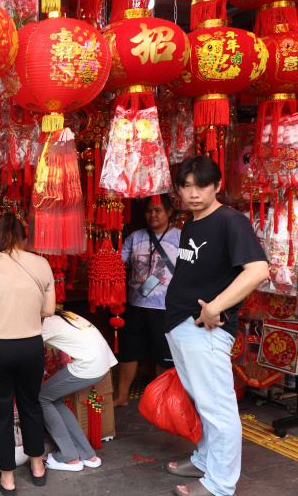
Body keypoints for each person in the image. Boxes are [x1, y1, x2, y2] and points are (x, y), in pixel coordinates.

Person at [164, 156, 269, 496]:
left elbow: (257, 270)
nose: (193, 193)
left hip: (204, 329)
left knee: (218, 408)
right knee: (202, 401)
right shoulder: (191, 224)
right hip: (182, 324)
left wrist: (215, 309)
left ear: (217, 185)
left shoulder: (230, 221)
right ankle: (206, 460)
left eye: (202, 185)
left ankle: (220, 485)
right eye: (186, 185)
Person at [0, 212, 56, 494]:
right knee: (30, 405)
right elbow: (48, 311)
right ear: (23, 236)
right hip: (30, 347)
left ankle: (7, 478)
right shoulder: (41, 263)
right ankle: (37, 466)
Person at [115, 195, 181, 407]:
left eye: (158, 210)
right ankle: (122, 396)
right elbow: (119, 263)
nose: (152, 215)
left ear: (169, 212)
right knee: (128, 352)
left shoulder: (181, 237)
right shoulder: (135, 237)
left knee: (164, 356)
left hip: (166, 308)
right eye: (149, 211)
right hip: (135, 305)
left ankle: (162, 400)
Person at [39, 310, 117, 472]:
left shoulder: (43, 324)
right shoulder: (63, 314)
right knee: (54, 399)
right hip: (101, 364)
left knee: (41, 398)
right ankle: (87, 454)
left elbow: (27, 351)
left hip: (88, 366)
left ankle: (68, 457)